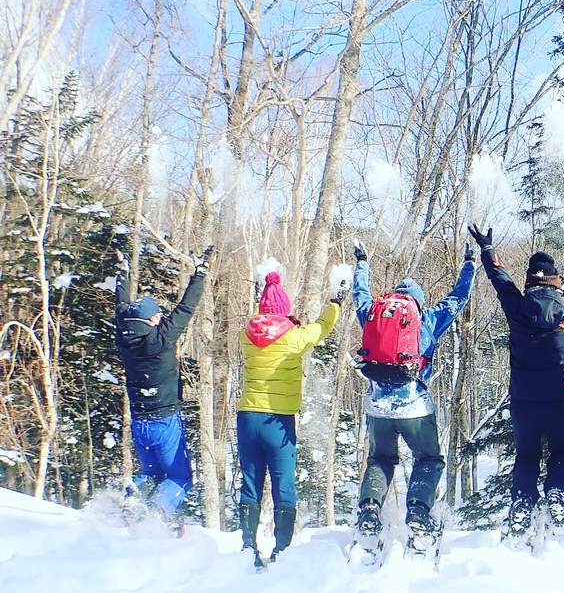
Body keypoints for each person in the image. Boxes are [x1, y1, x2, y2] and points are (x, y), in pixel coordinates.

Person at [468, 223, 564, 541]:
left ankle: (522, 506)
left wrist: (487, 249)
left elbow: (500, 279)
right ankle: (556, 494)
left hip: (524, 400)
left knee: (526, 455)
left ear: (529, 281)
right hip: (559, 398)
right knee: (563, 452)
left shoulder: (517, 307)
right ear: (556, 281)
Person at [351, 241, 476, 558]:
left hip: (378, 407)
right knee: (428, 459)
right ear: (417, 303)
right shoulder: (427, 319)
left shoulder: (373, 315)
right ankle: (419, 514)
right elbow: (458, 298)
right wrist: (469, 263)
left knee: (380, 460)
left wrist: (363, 261)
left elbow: (360, 296)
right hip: (415, 406)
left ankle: (368, 513)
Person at [236, 270, 343, 568]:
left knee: (250, 482)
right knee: (283, 484)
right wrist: (336, 300)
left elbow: (263, 323)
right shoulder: (295, 338)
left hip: (247, 417)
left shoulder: (246, 335)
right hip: (279, 422)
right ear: (286, 310)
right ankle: (281, 549)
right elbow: (322, 327)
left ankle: (248, 548)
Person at [114, 245, 212, 522]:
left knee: (151, 474)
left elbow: (120, 307)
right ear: (149, 320)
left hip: (139, 422)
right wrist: (200, 274)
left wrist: (122, 273)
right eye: (157, 316)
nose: (161, 319)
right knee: (180, 478)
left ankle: (131, 500)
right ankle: (156, 518)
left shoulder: (123, 337)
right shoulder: (159, 339)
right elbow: (186, 308)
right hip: (165, 421)